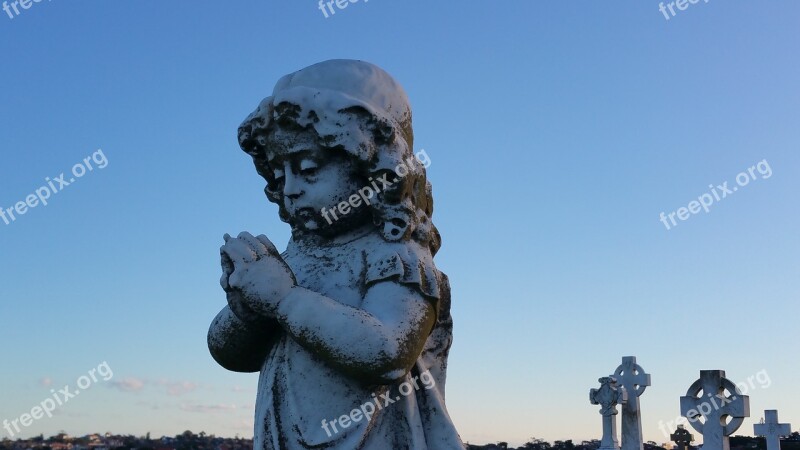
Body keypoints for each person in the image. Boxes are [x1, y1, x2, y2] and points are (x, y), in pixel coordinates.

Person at [208, 59, 464, 450]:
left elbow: (388, 352)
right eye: (280, 176)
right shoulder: (292, 260)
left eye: (308, 169)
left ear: (374, 168)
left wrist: (284, 299)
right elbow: (230, 355)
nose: (290, 188)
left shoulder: (397, 254)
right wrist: (246, 309)